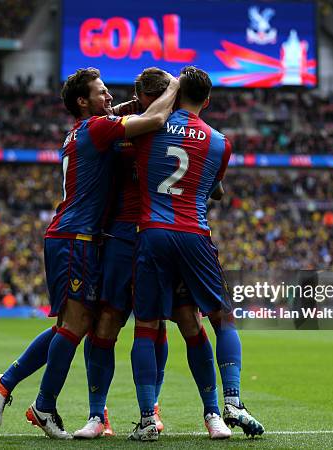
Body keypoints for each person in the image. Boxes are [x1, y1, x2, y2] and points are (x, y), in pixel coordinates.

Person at [0, 67, 179, 439]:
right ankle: (43, 406)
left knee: (72, 325)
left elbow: (117, 111)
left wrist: (125, 103)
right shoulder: (98, 129)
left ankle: (5, 383)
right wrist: (175, 86)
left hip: (74, 236)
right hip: (77, 239)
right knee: (75, 327)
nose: (110, 98)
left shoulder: (80, 130)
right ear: (82, 101)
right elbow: (155, 117)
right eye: (101, 92)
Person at [129, 66, 235, 441]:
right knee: (207, 322)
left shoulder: (148, 126)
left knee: (146, 327)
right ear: (206, 100)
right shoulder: (220, 141)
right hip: (193, 235)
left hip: (152, 233)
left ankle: (146, 419)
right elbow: (215, 189)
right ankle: (219, 412)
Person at [73, 67, 172, 439]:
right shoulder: (119, 127)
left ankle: (153, 409)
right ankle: (97, 415)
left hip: (155, 236)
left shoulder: (173, 128)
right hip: (117, 236)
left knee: (153, 324)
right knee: (105, 324)